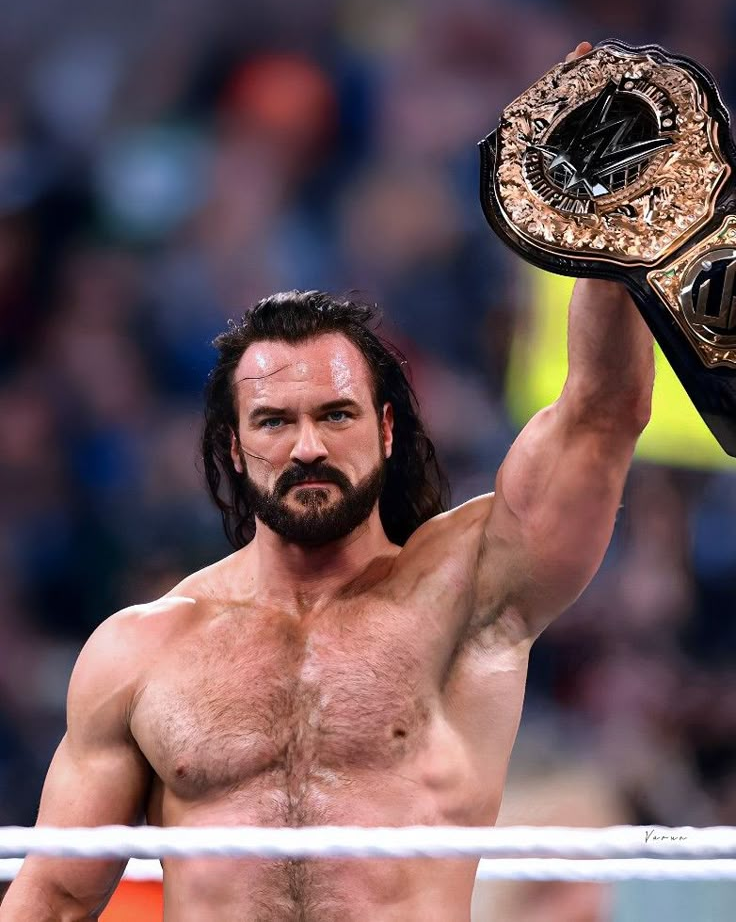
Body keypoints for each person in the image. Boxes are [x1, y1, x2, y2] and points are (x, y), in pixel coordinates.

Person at [2, 45, 656, 922]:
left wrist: (607, 225)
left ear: (386, 430)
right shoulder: (138, 654)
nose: (307, 443)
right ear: (235, 448)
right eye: (275, 421)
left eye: (337, 415)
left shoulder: (469, 588)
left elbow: (604, 410)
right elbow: (53, 898)